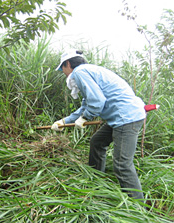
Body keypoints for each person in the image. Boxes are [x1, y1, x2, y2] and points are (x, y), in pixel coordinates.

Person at [51, 49, 146, 200]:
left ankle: (139, 208)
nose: (63, 72)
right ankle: (95, 183)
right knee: (97, 142)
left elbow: (97, 102)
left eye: (62, 68)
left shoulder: (80, 73)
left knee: (122, 165)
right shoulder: (89, 70)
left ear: (68, 64)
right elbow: (86, 104)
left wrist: (85, 117)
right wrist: (64, 121)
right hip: (122, 116)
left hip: (126, 118)